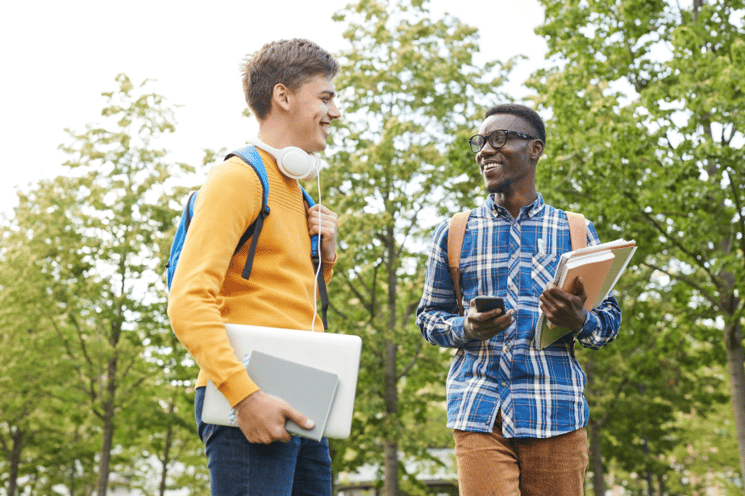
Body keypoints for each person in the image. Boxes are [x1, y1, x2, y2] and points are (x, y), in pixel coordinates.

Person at [416, 103, 621, 496]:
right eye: (480, 142)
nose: (484, 151)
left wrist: (580, 320)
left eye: (499, 139)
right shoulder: (455, 232)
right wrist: (467, 328)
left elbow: (608, 324)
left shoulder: (574, 230)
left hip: (556, 413)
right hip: (479, 412)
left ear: (535, 149)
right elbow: (428, 319)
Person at [168, 39, 341, 496]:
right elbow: (187, 300)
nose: (335, 112)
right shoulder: (238, 179)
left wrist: (325, 257)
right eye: (325, 97)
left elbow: (285, 303)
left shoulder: (299, 192)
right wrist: (244, 396)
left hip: (302, 391)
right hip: (248, 393)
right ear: (283, 97)